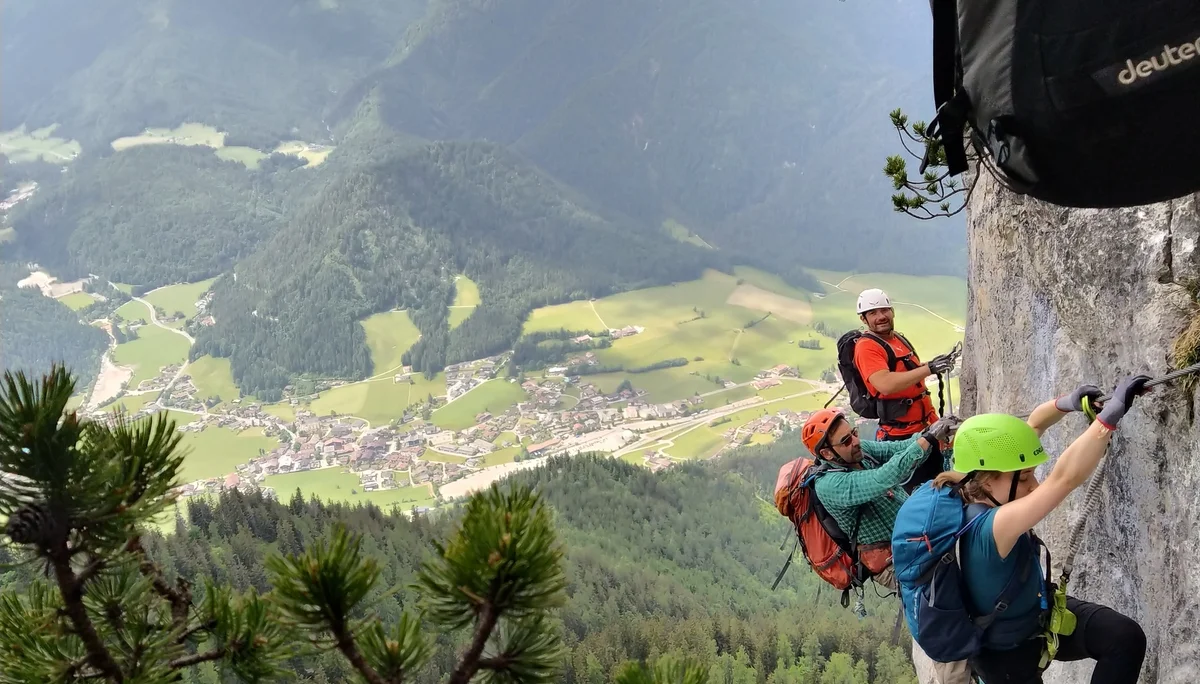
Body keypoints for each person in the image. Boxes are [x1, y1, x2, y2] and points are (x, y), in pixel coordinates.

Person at [931, 377, 1150, 683]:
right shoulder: (991, 527)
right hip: (1007, 659)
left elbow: (1033, 424)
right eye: (1024, 478)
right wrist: (1106, 421)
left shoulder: (975, 489)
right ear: (986, 480)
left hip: (1037, 617)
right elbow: (1063, 480)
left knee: (1123, 637)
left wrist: (1070, 402)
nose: (1033, 485)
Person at [801, 407, 972, 684]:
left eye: (853, 433)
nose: (855, 441)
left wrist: (931, 432)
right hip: (894, 562)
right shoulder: (830, 485)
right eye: (845, 440)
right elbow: (883, 478)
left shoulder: (858, 452)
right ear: (828, 454)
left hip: (913, 540)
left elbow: (898, 449)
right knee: (940, 613)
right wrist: (928, 439)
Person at [853, 288, 957, 491]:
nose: (881, 316)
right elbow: (885, 384)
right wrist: (929, 369)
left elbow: (908, 372)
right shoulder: (867, 347)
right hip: (902, 437)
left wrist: (933, 365)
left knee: (940, 483)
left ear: (892, 311)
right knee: (918, 492)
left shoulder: (897, 339)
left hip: (927, 426)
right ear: (864, 319)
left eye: (884, 310)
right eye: (873, 313)